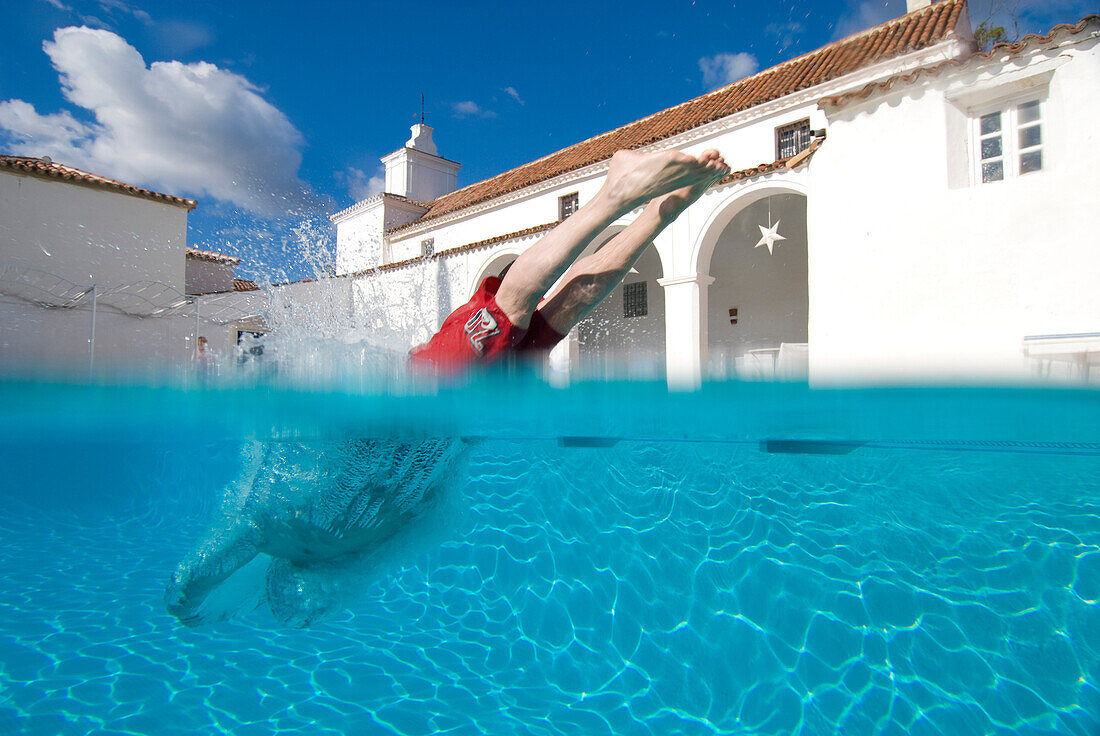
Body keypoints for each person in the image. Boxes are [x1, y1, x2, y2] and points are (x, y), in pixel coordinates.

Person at [409, 148, 730, 372]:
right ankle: (660, 212)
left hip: (433, 385)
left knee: (508, 309)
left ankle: (615, 194)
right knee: (566, 307)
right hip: (479, 399)